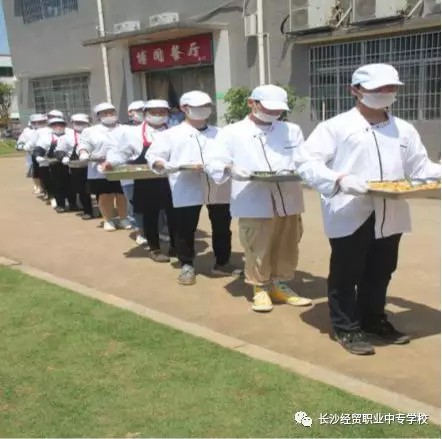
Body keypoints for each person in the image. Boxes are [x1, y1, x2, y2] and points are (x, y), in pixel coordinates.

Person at [293, 63, 441, 355]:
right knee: (347, 272)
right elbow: (306, 163)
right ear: (355, 91)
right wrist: (340, 179)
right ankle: (347, 327)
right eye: (377, 89)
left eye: (390, 88)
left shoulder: (404, 130)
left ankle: (374, 319)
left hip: (391, 211)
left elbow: (419, 167)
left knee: (381, 270)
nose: (385, 93)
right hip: (350, 209)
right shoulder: (335, 127)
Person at [205, 84, 312, 312]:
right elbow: (214, 162)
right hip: (253, 197)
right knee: (257, 244)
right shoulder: (232, 132)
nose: (273, 114)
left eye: (277, 110)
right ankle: (260, 288)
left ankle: (279, 284)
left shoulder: (291, 130)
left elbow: (303, 158)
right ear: (252, 103)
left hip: (288, 196)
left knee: (288, 242)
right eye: (268, 108)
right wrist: (230, 167)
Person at [147, 91, 239, 285]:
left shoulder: (220, 133)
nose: (202, 111)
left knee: (222, 225)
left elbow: (233, 155)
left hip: (218, 184)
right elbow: (155, 156)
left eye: (206, 106)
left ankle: (222, 262)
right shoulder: (170, 135)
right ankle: (187, 264)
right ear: (184, 109)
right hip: (186, 184)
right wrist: (161, 164)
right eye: (197, 107)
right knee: (185, 227)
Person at [104, 99, 175, 261]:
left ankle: (175, 246)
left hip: (171, 179)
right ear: (145, 114)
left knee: (174, 214)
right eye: (154, 112)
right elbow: (121, 153)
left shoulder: (174, 131)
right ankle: (155, 248)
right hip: (146, 179)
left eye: (162, 112)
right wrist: (111, 162)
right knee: (150, 215)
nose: (158, 116)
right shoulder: (132, 133)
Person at [77, 102, 130, 231]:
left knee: (122, 193)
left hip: (122, 165)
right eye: (105, 113)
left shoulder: (125, 129)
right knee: (105, 194)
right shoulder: (90, 131)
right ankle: (108, 219)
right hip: (99, 166)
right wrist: (83, 152)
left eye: (111, 112)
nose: (109, 115)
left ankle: (124, 218)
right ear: (98, 116)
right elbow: (84, 144)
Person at [56, 113, 94, 219]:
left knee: (98, 189)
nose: (79, 125)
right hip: (77, 167)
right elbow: (59, 150)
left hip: (93, 165)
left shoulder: (94, 133)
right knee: (83, 190)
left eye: (82, 123)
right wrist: (63, 157)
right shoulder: (66, 137)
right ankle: (88, 211)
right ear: (72, 123)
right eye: (77, 123)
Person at [18, 114, 47, 196]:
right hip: (31, 154)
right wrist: (20, 145)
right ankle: (38, 186)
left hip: (45, 154)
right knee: (33, 171)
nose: (37, 124)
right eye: (35, 122)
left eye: (40, 122)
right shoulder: (27, 131)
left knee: (45, 171)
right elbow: (21, 140)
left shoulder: (48, 130)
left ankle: (45, 187)